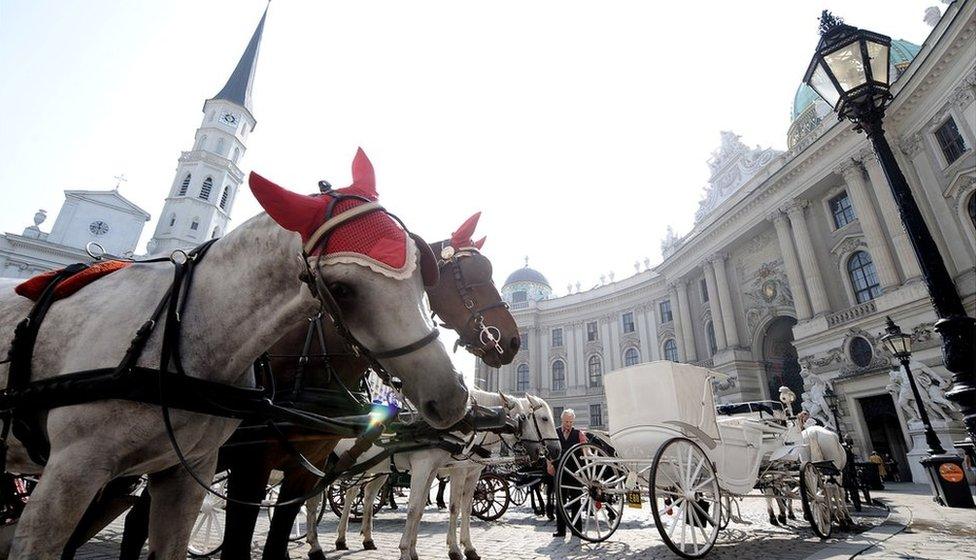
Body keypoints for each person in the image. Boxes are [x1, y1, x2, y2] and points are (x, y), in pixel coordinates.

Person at [548, 409, 587, 538]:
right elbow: (549, 451)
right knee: (560, 502)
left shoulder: (578, 434)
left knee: (576, 502)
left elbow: (585, 451)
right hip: (560, 472)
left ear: (573, 421)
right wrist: (549, 464)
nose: (568, 424)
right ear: (562, 420)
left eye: (570, 421)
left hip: (575, 473)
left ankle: (577, 530)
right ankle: (561, 531)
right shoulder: (555, 433)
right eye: (566, 421)